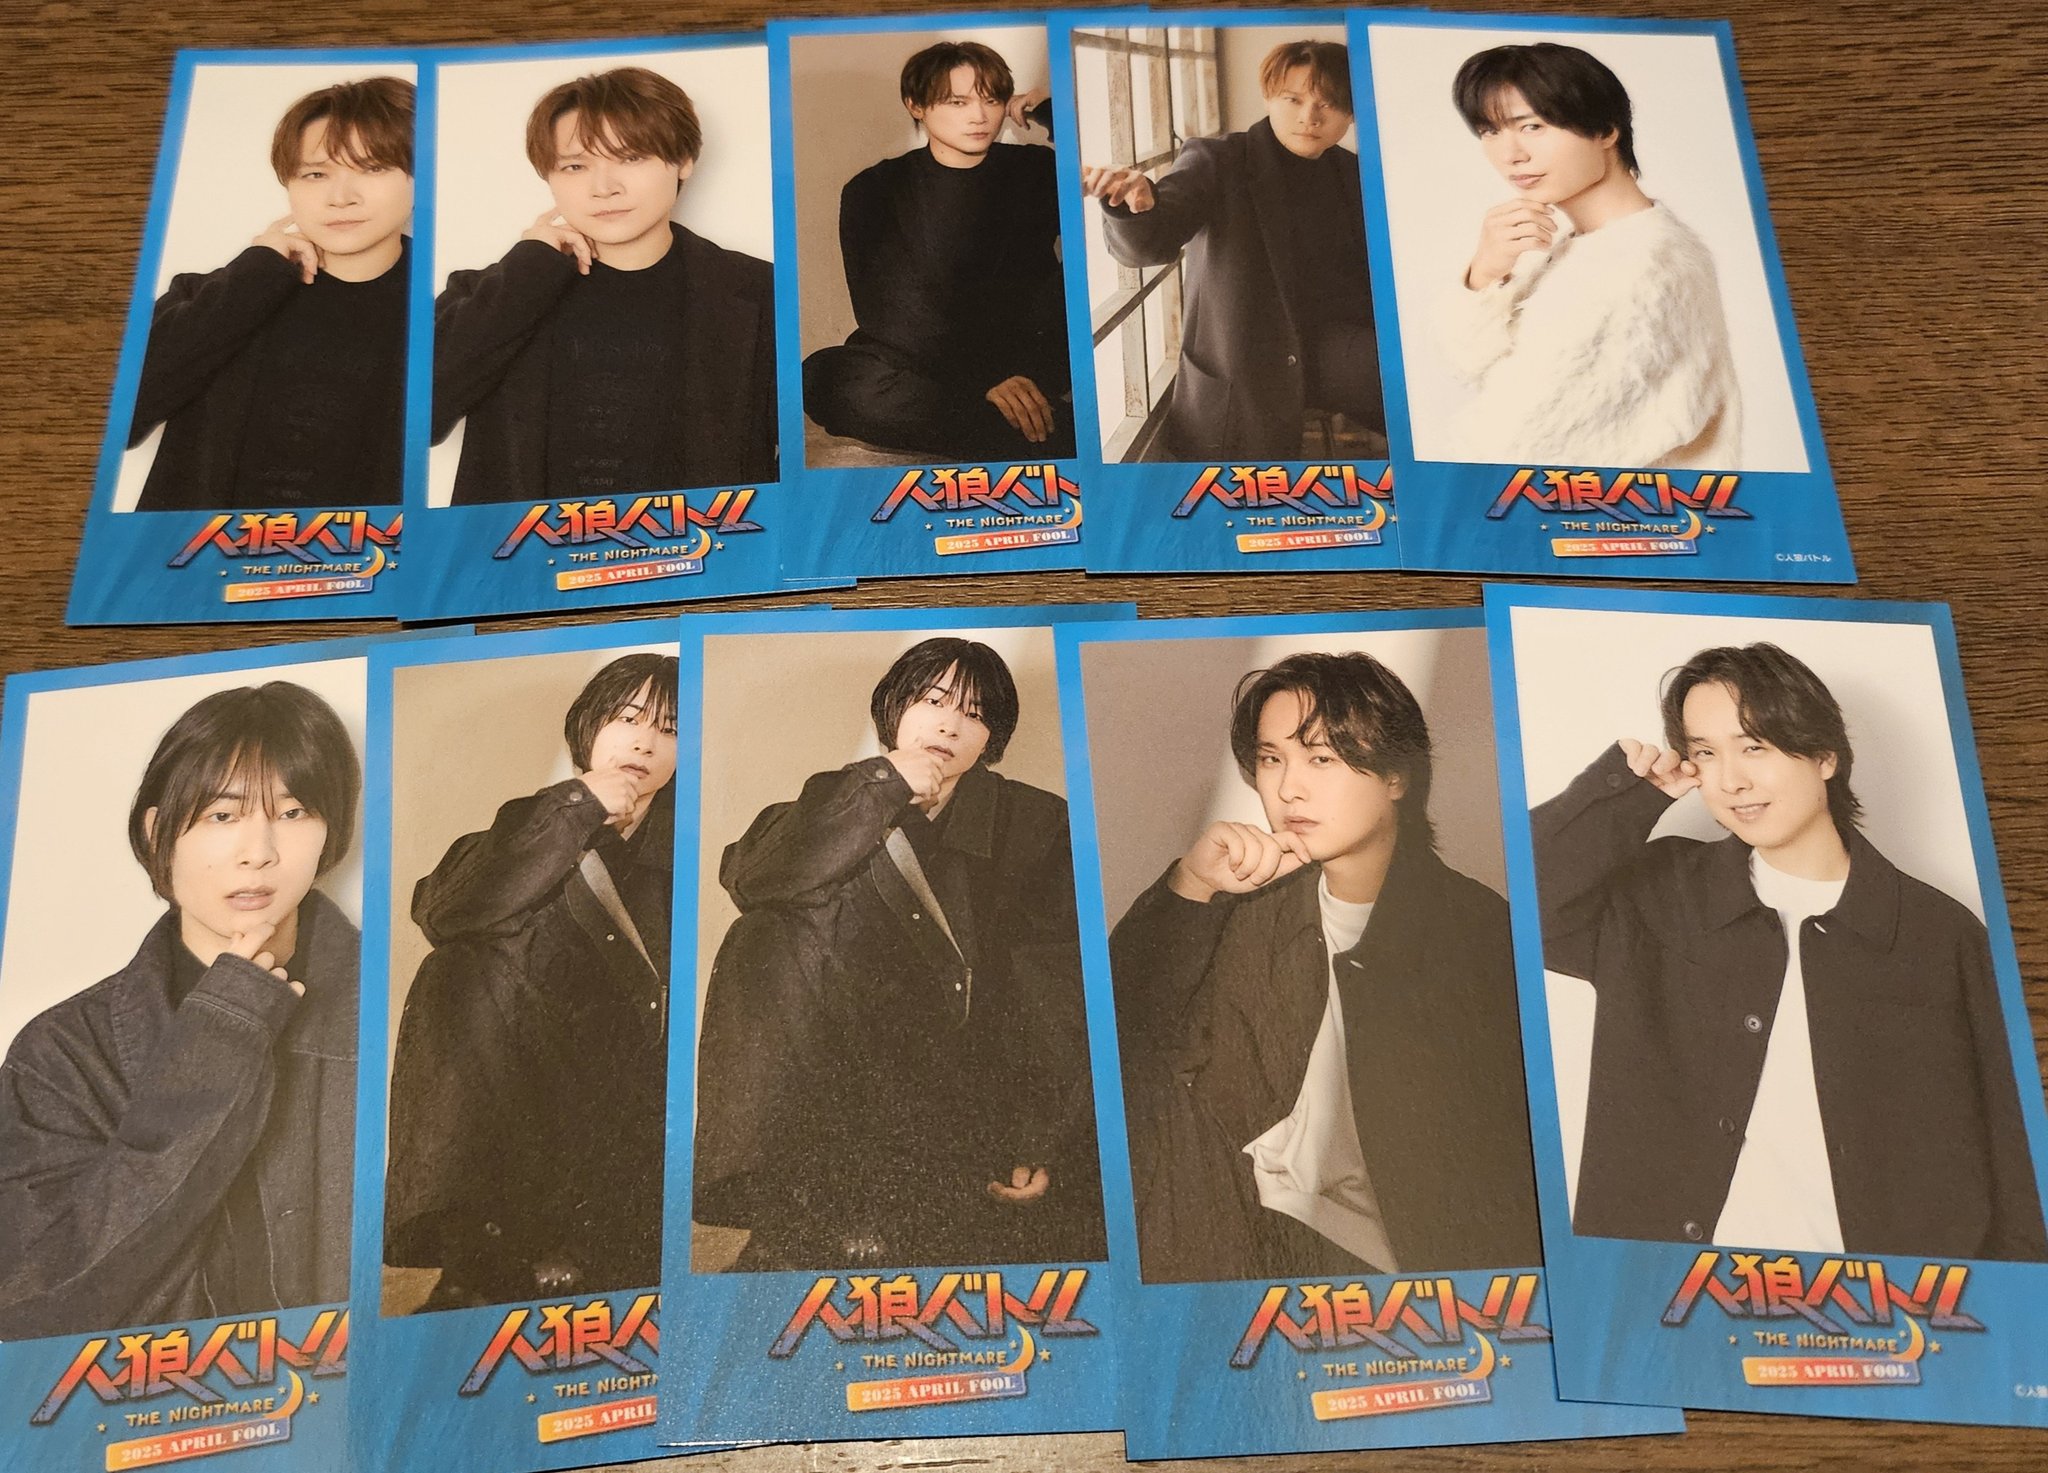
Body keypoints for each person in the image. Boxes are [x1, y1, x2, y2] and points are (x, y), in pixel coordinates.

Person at [1534, 642, 2048, 1260]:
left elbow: (2016, 1159)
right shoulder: (1658, 896)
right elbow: (1523, 906)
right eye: (1706, 753)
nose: (1731, 781)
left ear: (1825, 756)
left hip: (1878, 1298)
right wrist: (1623, 793)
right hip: (1663, 1285)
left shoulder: (1940, 935)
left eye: (1754, 746)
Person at [1109, 652, 1539, 1284]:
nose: (1289, 789)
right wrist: (1192, 885)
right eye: (1271, 759)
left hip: (1380, 1257)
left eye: (1321, 759)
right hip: (1227, 1216)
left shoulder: (1476, 930)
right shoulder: (1244, 905)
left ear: (1396, 776)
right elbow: (1120, 1037)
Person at [694, 637, 1103, 1269]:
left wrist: (1037, 1136)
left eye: (973, 714)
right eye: (932, 702)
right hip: (837, 1067)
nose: (948, 725)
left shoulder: (1037, 822)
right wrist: (877, 788)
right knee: (762, 935)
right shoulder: (830, 799)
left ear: (991, 737)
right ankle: (771, 1190)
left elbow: (1055, 987)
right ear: (894, 709)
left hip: (965, 1070)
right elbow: (751, 881)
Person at [0, 682, 362, 1339]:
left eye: (292, 811)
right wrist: (223, 1028)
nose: (259, 851)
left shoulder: (386, 999)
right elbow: (33, 1305)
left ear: (329, 831)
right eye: (222, 815)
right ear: (157, 832)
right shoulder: (62, 1052)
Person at [384, 652, 678, 1308]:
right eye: (628, 718)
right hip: (523, 1055)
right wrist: (575, 808)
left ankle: (567, 1243)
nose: (644, 741)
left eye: (669, 730)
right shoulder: (532, 820)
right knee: (456, 971)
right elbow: (444, 911)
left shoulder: (675, 842)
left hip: (626, 1061)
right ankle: (475, 1245)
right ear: (590, 726)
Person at [432, 68, 776, 506]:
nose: (604, 188)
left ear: (684, 159)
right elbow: (416, 421)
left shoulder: (760, 292)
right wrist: (527, 269)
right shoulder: (494, 292)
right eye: (575, 166)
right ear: (548, 175)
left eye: (630, 158)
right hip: (527, 549)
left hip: (702, 545)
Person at [1438, 42, 1740, 467]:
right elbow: (1465, 362)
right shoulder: (1582, 244)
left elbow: (1514, 443)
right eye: (1490, 131)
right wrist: (1485, 273)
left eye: (1533, 126)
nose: (1511, 155)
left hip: (1600, 507)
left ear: (1605, 131)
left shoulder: (1641, 264)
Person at [1083, 40, 1383, 462]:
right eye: (1293, 99)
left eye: (1328, 104)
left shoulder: (1353, 173)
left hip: (1333, 349)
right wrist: (1135, 207)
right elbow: (1151, 243)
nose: (1309, 117)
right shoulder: (1219, 159)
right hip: (1249, 359)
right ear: (1269, 97)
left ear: (1351, 113)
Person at [129, 77, 414, 511]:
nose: (341, 197)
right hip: (204, 553)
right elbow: (122, 421)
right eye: (315, 174)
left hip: (367, 553)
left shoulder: (439, 307)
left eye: (372, 168)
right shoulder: (216, 294)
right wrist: (255, 274)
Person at [801, 42, 1076, 462]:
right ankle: (1031, 427)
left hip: (1023, 354)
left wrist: (1048, 111)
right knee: (824, 376)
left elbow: (1107, 183)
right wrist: (984, 379)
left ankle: (1007, 421)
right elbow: (888, 312)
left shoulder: (1036, 170)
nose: (979, 116)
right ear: (916, 105)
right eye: (958, 102)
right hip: (925, 361)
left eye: (992, 100)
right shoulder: (873, 189)